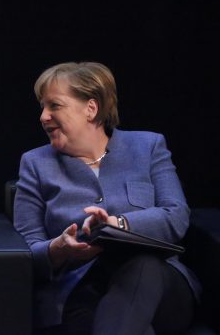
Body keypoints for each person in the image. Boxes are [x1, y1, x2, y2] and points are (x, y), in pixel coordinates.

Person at [14, 62, 200, 335]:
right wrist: (58, 248)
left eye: (54, 106)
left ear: (91, 108)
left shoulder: (148, 147)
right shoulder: (35, 164)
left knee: (143, 266)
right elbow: (26, 250)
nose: (43, 116)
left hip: (162, 288)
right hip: (81, 286)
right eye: (42, 107)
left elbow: (176, 215)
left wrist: (119, 224)